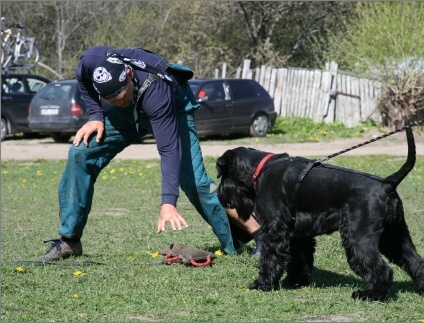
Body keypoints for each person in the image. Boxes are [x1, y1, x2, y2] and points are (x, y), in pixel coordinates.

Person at [39, 46, 261, 262]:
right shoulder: (91, 62)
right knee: (80, 153)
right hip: (130, 112)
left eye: (119, 95)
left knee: (195, 182)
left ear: (127, 74)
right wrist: (96, 115)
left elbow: (169, 149)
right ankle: (69, 241)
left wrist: (168, 202)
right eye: (110, 100)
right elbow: (83, 78)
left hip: (173, 108)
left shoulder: (156, 89)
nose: (117, 101)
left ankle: (261, 235)